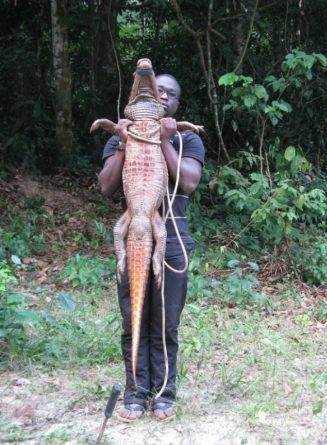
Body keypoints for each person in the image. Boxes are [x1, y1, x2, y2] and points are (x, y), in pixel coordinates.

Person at [98, 73, 205, 421]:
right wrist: (125, 141)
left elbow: (187, 183)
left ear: (176, 103)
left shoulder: (186, 138)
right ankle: (135, 392)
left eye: (170, 94)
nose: (163, 97)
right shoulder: (122, 133)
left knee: (165, 322)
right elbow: (106, 186)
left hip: (172, 240)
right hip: (135, 234)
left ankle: (163, 394)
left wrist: (163, 140)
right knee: (134, 318)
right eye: (158, 91)